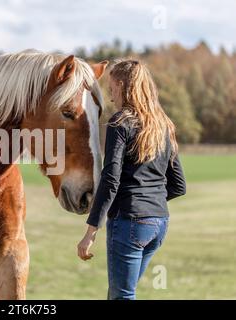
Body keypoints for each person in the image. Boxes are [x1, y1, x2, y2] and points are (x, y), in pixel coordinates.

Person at [77, 59, 186, 300]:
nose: (111, 95)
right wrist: (148, 200)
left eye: (112, 87)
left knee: (122, 296)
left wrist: (90, 231)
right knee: (119, 293)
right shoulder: (163, 124)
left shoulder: (120, 122)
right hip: (159, 223)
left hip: (130, 224)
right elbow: (179, 184)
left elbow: (111, 179)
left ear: (122, 85)